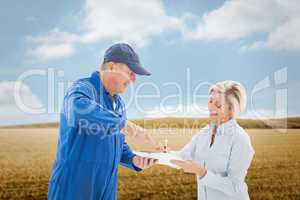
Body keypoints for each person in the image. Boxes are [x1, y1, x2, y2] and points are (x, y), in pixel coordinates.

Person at [48, 43, 158, 200]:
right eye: (130, 72)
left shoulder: (118, 104)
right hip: (73, 189)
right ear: (112, 66)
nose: (133, 80)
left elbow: (116, 144)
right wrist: (124, 125)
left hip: (106, 191)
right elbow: (78, 109)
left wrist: (134, 159)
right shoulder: (83, 88)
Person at [171, 80, 255, 200]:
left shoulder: (240, 138)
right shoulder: (203, 133)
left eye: (218, 104)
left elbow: (234, 186)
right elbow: (181, 156)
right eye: (210, 101)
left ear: (231, 108)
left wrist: (202, 173)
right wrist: (161, 155)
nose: (211, 106)